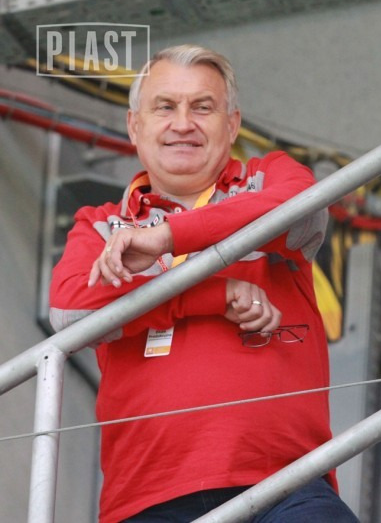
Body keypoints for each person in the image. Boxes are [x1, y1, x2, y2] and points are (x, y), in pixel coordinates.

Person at [50, 45, 359, 523]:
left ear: (231, 125)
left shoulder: (269, 178)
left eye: (202, 107)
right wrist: (212, 294)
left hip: (286, 486)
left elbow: (303, 206)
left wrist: (167, 237)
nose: (183, 123)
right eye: (165, 107)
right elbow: (69, 312)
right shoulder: (101, 225)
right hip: (145, 501)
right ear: (135, 126)